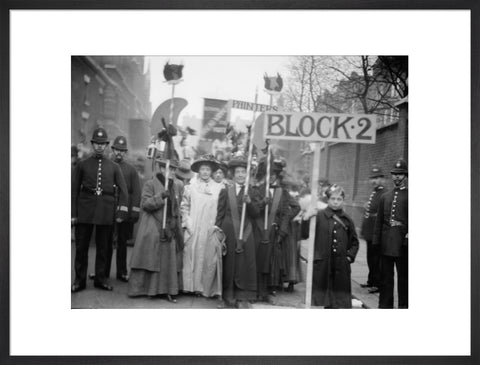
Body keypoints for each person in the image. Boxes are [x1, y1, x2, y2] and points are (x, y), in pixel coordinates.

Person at [71, 127, 129, 293]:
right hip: (85, 211)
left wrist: (120, 214)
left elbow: (124, 192)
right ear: (92, 144)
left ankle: (100, 279)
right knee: (81, 248)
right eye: (97, 143)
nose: (99, 146)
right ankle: (79, 281)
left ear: (106, 145)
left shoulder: (114, 167)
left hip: (106, 212)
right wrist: (73, 215)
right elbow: (74, 191)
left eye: (102, 144)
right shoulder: (82, 165)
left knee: (104, 248)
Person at [128, 157, 184, 302]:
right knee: (153, 258)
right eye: (169, 168)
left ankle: (168, 290)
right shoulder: (150, 184)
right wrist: (160, 197)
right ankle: (150, 289)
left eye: (174, 169)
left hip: (170, 229)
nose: (172, 172)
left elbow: (177, 208)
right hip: (153, 226)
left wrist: (176, 226)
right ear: (161, 168)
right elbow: (145, 204)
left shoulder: (177, 185)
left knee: (168, 260)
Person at [302, 184, 359, 308]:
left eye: (339, 199)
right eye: (333, 199)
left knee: (339, 301)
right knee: (323, 299)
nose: (336, 202)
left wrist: (349, 257)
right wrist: (306, 218)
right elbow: (304, 234)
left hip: (341, 266)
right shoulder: (318, 216)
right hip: (323, 263)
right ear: (328, 200)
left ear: (343, 201)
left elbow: (354, 242)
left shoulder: (347, 219)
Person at [215, 155, 261, 308]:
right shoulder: (225, 190)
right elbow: (220, 213)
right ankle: (227, 297)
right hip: (228, 231)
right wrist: (217, 231)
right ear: (233, 175)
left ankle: (243, 298)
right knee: (228, 264)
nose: (241, 175)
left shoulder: (252, 192)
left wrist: (250, 203)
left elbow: (256, 214)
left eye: (243, 172)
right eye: (238, 172)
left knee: (244, 264)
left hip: (246, 232)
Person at [252, 157, 299, 303]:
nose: (271, 176)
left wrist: (282, 231)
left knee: (272, 262)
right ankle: (256, 290)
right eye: (269, 173)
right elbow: (253, 211)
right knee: (258, 260)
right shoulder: (256, 191)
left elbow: (286, 212)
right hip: (259, 230)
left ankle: (268, 290)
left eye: (274, 174)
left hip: (275, 230)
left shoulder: (282, 192)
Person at [180, 154, 224, 297]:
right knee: (191, 254)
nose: (205, 172)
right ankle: (189, 286)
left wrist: (217, 226)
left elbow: (221, 208)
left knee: (207, 256)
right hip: (194, 225)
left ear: (212, 171)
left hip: (209, 226)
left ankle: (203, 288)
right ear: (199, 170)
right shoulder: (190, 187)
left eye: (208, 169)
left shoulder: (218, 188)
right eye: (203, 169)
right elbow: (184, 206)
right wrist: (187, 222)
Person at [105, 136, 141, 282]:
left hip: (124, 213)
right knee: (105, 243)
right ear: (112, 150)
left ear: (125, 152)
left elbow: (136, 192)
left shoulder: (131, 170)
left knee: (121, 244)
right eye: (117, 150)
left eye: (122, 151)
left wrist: (134, 213)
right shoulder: (106, 166)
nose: (119, 153)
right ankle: (103, 272)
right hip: (107, 211)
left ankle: (121, 272)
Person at [373, 158, 408, 309]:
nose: (397, 177)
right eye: (395, 174)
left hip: (402, 244)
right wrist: (376, 241)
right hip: (386, 243)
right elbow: (379, 221)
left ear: (405, 176)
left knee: (404, 278)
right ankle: (385, 306)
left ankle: (404, 306)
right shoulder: (385, 196)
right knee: (386, 278)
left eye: (400, 174)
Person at [360, 165, 385, 293]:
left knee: (376, 259)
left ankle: (378, 283)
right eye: (372, 178)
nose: (374, 181)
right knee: (370, 258)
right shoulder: (375, 192)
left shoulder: (383, 193)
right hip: (370, 232)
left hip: (377, 233)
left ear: (382, 179)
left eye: (377, 178)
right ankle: (371, 280)